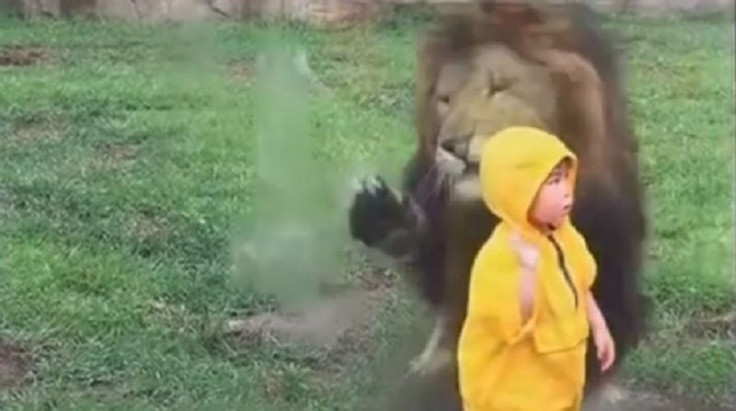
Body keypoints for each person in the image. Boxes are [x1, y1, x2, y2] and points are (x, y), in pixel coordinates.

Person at [457, 126, 615, 411]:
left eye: (566, 178)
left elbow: (579, 282)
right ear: (518, 190)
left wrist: (599, 327)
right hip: (518, 390)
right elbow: (514, 320)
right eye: (553, 182)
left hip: (559, 378)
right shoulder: (501, 256)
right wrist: (528, 272)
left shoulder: (563, 235)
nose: (566, 192)